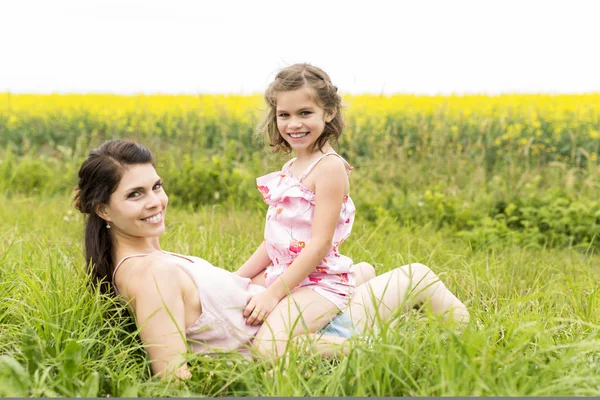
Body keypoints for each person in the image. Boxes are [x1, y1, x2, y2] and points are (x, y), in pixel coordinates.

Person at [74, 140, 469, 382]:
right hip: (295, 343)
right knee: (417, 276)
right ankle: (471, 348)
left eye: (156, 186)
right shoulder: (152, 273)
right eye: (135, 194)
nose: (156, 202)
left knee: (362, 271)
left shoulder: (151, 256)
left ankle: (405, 326)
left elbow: (220, 305)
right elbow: (173, 377)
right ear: (103, 210)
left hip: (290, 313)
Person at [235, 64, 359, 357]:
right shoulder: (290, 168)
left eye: (305, 113)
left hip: (320, 282)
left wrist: (273, 295)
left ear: (328, 113)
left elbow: (319, 244)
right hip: (286, 274)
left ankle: (364, 350)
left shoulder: (329, 167)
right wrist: (236, 279)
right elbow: (274, 242)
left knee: (267, 348)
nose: (294, 124)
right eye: (284, 115)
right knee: (234, 307)